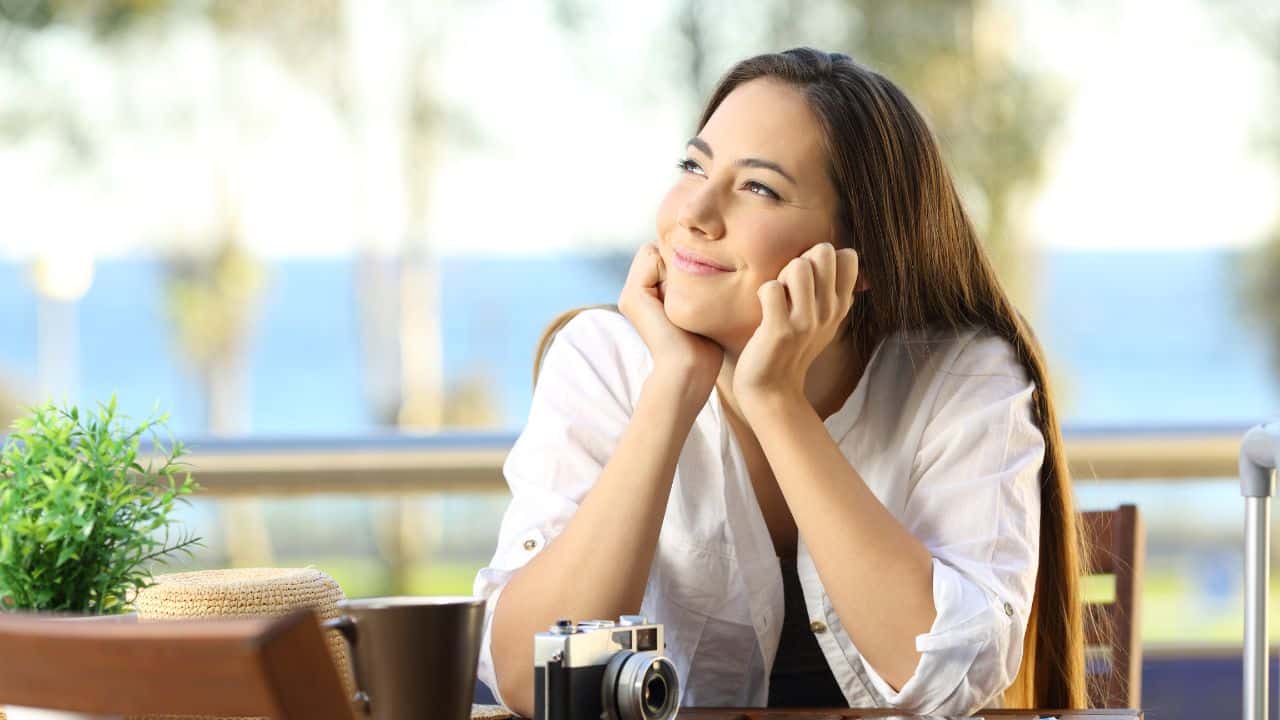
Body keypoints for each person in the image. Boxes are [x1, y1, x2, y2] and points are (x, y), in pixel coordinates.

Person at [473, 47, 1086, 717]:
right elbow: (525, 679)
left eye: (758, 188)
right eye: (693, 166)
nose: (694, 213)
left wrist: (777, 403)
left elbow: (948, 681)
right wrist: (672, 389)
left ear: (862, 258)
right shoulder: (605, 360)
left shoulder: (963, 379)